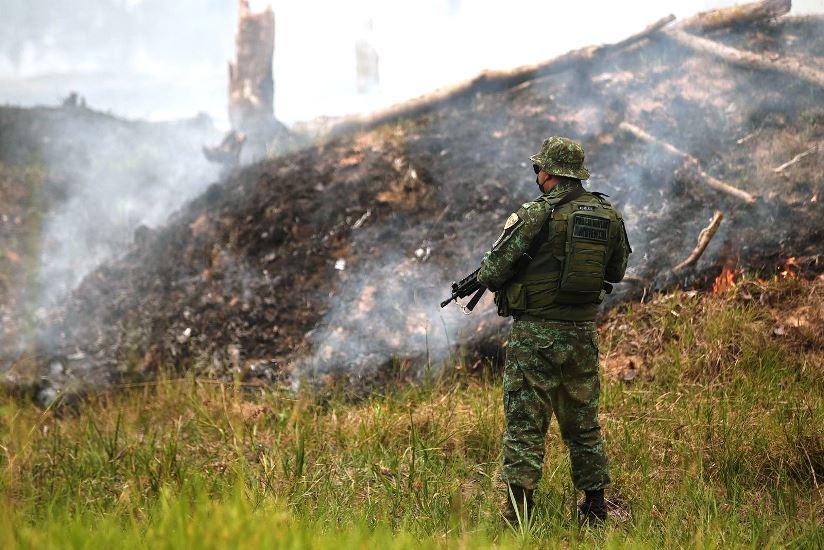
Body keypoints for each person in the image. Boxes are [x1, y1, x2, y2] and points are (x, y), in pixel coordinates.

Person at [477, 136, 631, 525]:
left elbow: (493, 273)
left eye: (537, 168)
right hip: (581, 334)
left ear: (549, 172)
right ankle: (595, 508)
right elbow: (615, 273)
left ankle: (519, 516)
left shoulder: (534, 214)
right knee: (583, 423)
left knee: (525, 423)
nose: (536, 174)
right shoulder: (608, 215)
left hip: (536, 338)